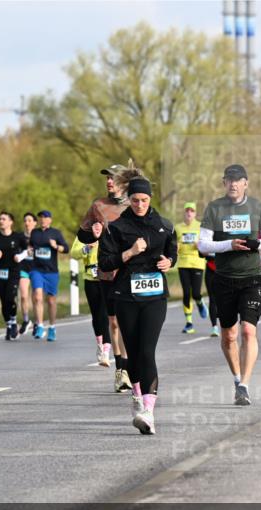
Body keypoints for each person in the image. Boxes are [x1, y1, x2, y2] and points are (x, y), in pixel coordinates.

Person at [98, 178, 177, 434]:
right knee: (132, 353)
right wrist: (130, 252)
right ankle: (137, 395)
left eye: (144, 200)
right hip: (126, 297)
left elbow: (172, 252)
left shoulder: (164, 225)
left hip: (155, 296)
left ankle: (149, 412)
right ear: (129, 200)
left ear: (150, 199)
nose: (140, 204)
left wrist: (169, 262)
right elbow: (105, 263)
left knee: (147, 351)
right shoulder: (116, 228)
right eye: (135, 200)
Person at [198, 164, 261, 406]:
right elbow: (203, 245)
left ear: (245, 183)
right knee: (229, 336)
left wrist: (257, 244)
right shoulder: (214, 208)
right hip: (224, 278)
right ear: (224, 183)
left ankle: (244, 386)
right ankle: (236, 377)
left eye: (238, 180)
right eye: (229, 180)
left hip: (252, 276)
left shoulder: (256, 207)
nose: (233, 184)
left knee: (248, 331)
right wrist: (228, 245)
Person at [77, 164, 139, 391]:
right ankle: (121, 369)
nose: (109, 182)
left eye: (113, 178)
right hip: (107, 272)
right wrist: (91, 234)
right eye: (107, 178)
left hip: (132, 272)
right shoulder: (98, 206)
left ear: (125, 181)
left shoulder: (136, 203)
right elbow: (82, 234)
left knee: (130, 323)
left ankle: (133, 365)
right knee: (113, 321)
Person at [0, 211, 28, 340]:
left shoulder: (18, 237)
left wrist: (20, 257)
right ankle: (9, 325)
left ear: (10, 222)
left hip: (13, 271)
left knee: (10, 297)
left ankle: (13, 321)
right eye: (0, 219)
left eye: (4, 219)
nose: (1, 221)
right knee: (3, 300)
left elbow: (27, 251)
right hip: (0, 272)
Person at [73, 224, 112, 365]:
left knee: (105, 314)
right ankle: (100, 344)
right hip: (90, 279)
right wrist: (86, 248)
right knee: (96, 315)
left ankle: (106, 351)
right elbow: (74, 253)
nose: (96, 226)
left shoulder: (109, 233)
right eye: (93, 223)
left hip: (106, 278)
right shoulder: (84, 235)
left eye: (99, 223)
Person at [29, 210, 69, 341]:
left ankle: (52, 327)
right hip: (37, 270)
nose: (43, 220)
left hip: (51, 271)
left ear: (50, 220)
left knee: (51, 300)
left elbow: (66, 248)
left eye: (45, 217)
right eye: (41, 217)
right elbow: (30, 246)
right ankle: (40, 325)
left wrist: (56, 246)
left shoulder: (56, 233)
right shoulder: (34, 233)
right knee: (37, 296)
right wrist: (29, 250)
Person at [174, 202, 208, 334]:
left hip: (197, 262)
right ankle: (189, 323)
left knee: (196, 293)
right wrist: (176, 247)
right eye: (187, 210)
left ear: (195, 213)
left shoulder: (200, 226)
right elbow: (174, 245)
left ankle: (199, 302)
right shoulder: (178, 228)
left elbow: (206, 244)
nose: (189, 213)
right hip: (183, 263)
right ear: (184, 212)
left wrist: (199, 245)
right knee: (186, 294)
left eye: (192, 211)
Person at [18, 212, 37, 334]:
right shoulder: (19, 237)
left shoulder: (39, 236)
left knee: (36, 298)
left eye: (30, 220)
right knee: (24, 296)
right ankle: (26, 320)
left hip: (36, 269)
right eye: (25, 220)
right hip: (23, 269)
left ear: (35, 223)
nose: (27, 223)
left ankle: (37, 322)